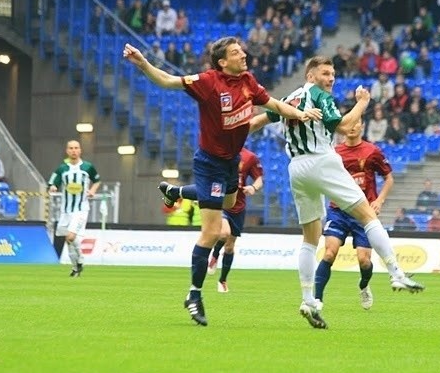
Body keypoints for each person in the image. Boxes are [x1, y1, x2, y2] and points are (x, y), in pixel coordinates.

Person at [123, 37, 320, 327]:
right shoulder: (207, 82)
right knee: (213, 232)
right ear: (222, 62)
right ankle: (194, 294)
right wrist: (143, 63)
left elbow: (275, 104)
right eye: (236, 53)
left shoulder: (248, 81)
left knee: (230, 202)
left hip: (232, 163)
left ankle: (176, 191)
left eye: (242, 50)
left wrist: (300, 114)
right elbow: (167, 81)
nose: (243, 55)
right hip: (210, 164)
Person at [250, 55, 424, 330]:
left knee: (310, 239)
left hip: (296, 168)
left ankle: (308, 300)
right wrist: (362, 103)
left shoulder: (291, 97)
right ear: (311, 76)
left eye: (333, 74)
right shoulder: (319, 95)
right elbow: (343, 126)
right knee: (368, 215)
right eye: (325, 73)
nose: (330, 79)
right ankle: (396, 272)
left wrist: (230, 135)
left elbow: (259, 121)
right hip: (321, 159)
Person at [313, 121, 394, 312]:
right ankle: (317, 299)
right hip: (338, 210)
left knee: (364, 260)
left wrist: (379, 200)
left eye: (357, 123)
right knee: (329, 252)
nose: (352, 126)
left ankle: (364, 285)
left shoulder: (372, 151)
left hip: (363, 213)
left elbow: (389, 178)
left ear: (362, 126)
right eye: (349, 123)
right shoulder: (334, 152)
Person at [207, 147, 264, 293]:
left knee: (230, 246)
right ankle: (214, 255)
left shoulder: (250, 157)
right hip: (222, 203)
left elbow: (259, 179)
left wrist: (253, 187)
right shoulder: (220, 152)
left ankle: (222, 280)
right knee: (224, 233)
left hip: (238, 206)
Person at [47, 140, 101, 278]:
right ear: (67, 151)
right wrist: (53, 187)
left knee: (71, 236)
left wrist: (93, 190)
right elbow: (53, 182)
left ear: (80, 150)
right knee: (69, 239)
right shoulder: (62, 169)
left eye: (76, 148)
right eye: (71, 148)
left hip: (81, 209)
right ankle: (76, 267)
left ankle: (81, 258)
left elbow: (97, 180)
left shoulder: (88, 167)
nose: (73, 150)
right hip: (66, 210)